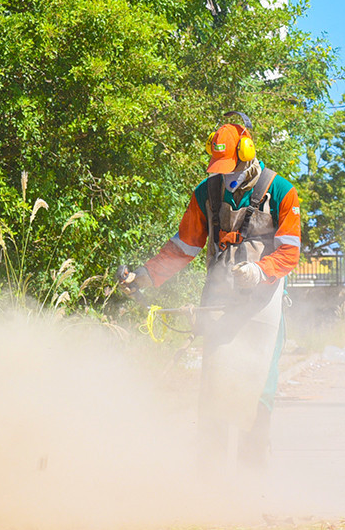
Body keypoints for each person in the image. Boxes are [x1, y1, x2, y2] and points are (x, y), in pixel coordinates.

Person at [119, 112, 301, 469]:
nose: (226, 175)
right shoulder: (207, 192)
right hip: (219, 301)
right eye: (220, 167)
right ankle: (209, 479)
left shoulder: (281, 191)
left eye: (231, 166)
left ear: (248, 153)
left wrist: (259, 270)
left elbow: (290, 252)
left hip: (264, 303)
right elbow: (184, 246)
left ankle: (251, 479)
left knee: (259, 386)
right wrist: (145, 275)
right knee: (215, 384)